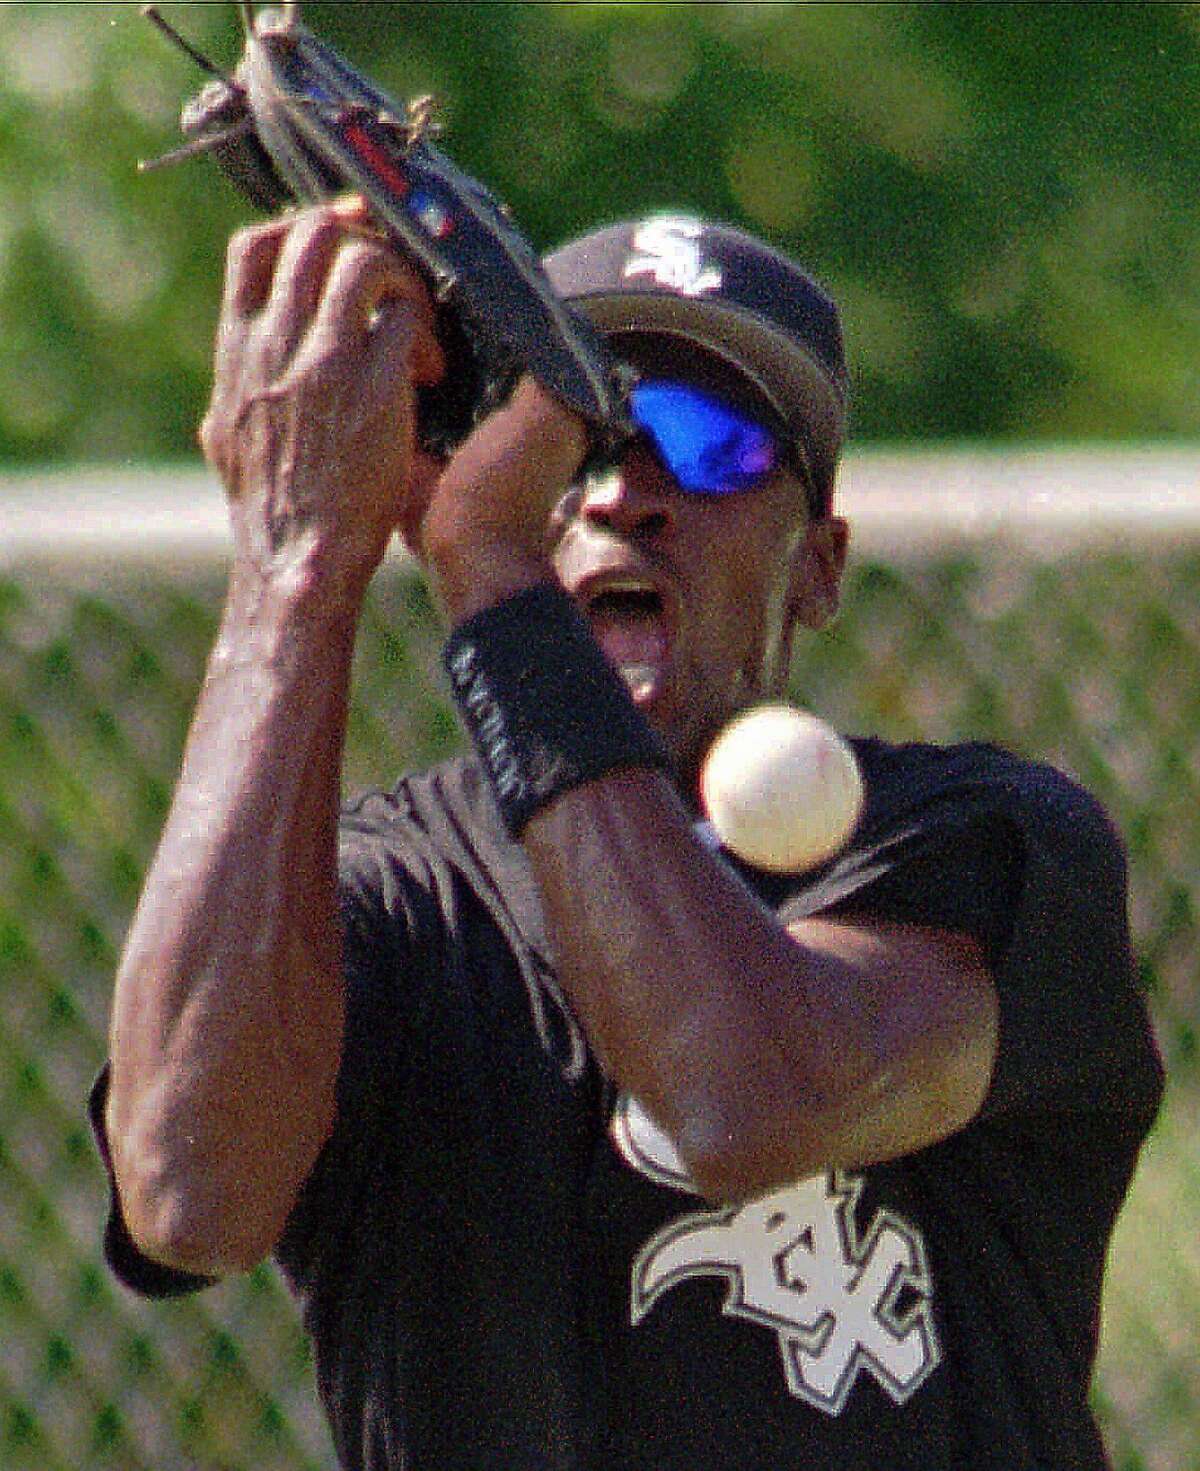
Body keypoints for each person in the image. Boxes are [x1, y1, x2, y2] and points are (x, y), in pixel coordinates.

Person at [91, 201, 1163, 1471]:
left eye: (706, 448)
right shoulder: (387, 901)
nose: (624, 496)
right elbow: (186, 1196)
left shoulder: (982, 850)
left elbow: (739, 1096)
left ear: (818, 567)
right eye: (570, 442)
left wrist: (492, 569)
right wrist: (297, 563)